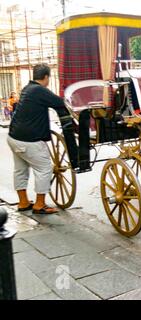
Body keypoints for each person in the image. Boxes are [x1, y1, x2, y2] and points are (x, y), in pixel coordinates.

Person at [7, 64, 71, 214]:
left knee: (20, 170)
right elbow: (60, 102)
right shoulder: (40, 90)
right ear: (46, 77)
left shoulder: (27, 88)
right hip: (29, 140)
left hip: (14, 136)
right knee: (44, 169)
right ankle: (39, 205)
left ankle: (23, 202)